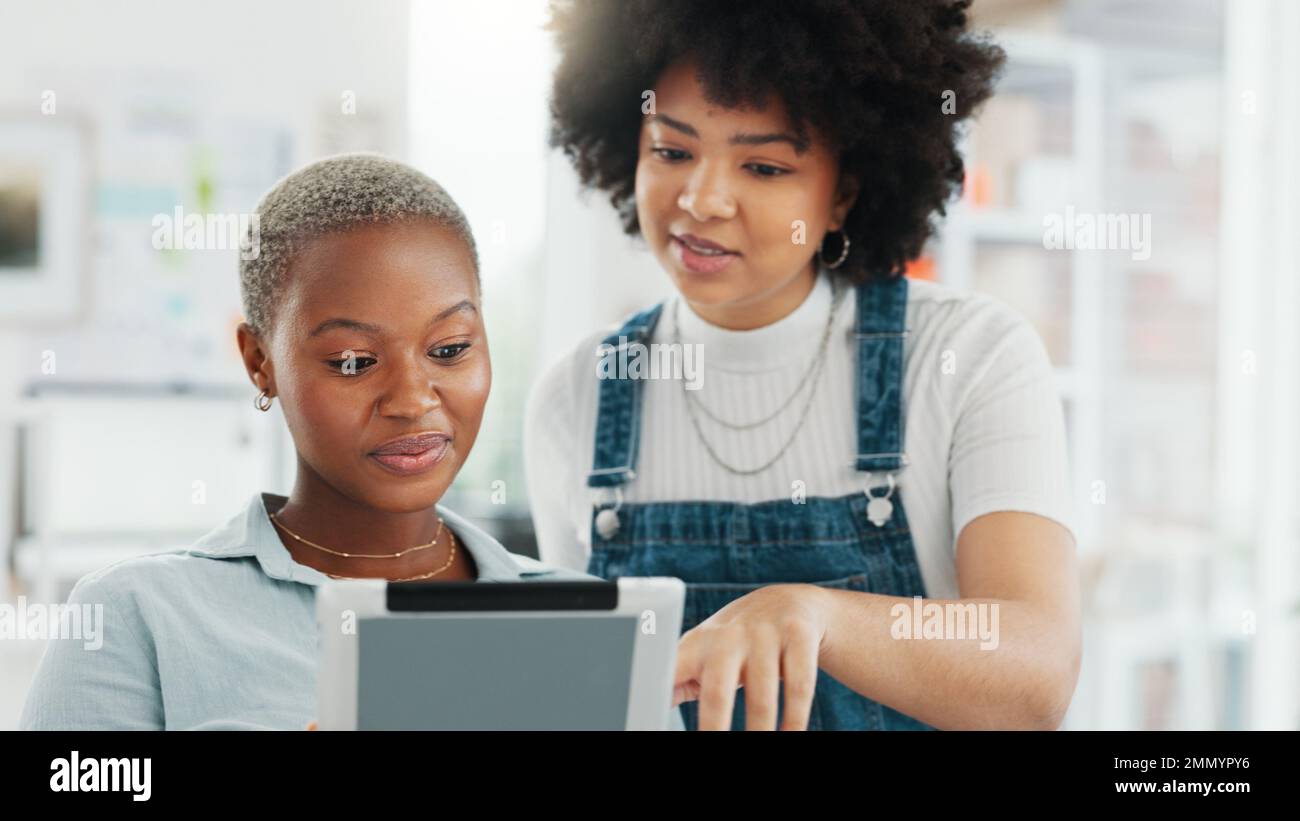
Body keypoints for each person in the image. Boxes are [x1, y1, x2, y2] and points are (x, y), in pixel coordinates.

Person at [526, 0, 1081, 730]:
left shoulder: (968, 357)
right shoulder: (579, 394)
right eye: (671, 151)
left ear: (843, 193)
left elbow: (1036, 671)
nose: (702, 199)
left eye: (762, 165)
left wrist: (813, 614)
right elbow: (590, 703)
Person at [22, 153, 592, 730]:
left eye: (449, 350)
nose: (413, 400)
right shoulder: (134, 617)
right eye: (354, 362)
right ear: (260, 361)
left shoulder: (592, 625)